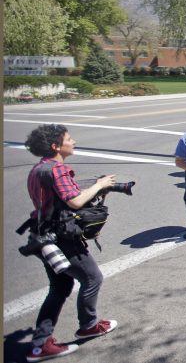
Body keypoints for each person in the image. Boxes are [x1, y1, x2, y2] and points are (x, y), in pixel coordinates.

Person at [22, 124, 118, 362]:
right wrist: (99, 185)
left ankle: (41, 343)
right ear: (55, 146)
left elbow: (59, 199)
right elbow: (74, 202)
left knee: (60, 287)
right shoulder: (57, 170)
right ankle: (88, 325)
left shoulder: (38, 169)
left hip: (43, 235)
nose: (73, 141)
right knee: (92, 278)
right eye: (69, 138)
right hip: (63, 237)